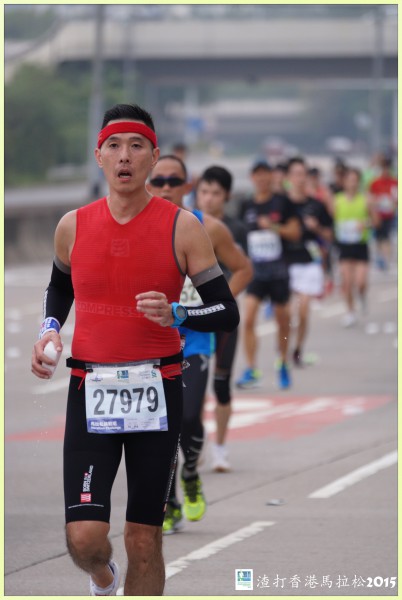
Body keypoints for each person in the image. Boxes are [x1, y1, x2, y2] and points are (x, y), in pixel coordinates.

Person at [31, 103, 239, 596]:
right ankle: (103, 578)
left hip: (158, 390)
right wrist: (50, 329)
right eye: (114, 146)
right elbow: (60, 287)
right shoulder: (73, 225)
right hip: (90, 389)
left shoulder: (183, 227)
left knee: (143, 538)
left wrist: (179, 313)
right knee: (84, 538)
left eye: (136, 146)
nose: (125, 156)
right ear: (99, 156)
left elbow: (226, 310)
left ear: (153, 157)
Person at [147, 155, 252, 533]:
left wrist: (214, 308)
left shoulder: (208, 227)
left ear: (186, 186)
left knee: (188, 417)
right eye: (158, 181)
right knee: (159, 426)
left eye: (173, 181)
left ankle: (190, 472)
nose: (165, 188)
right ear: (147, 183)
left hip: (194, 339)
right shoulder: (136, 227)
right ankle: (170, 501)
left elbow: (244, 269)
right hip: (150, 341)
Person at [195, 165, 249, 472]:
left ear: (226, 196)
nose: (209, 198)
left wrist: (221, 304)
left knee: (221, 384)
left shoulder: (235, 229)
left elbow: (244, 269)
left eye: (215, 193)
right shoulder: (186, 223)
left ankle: (221, 448)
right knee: (192, 385)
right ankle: (194, 438)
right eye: (204, 191)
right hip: (192, 318)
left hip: (223, 319)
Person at [236, 160, 301, 390]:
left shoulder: (282, 202)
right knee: (248, 319)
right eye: (257, 175)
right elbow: (240, 236)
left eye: (265, 174)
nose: (262, 179)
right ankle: (251, 368)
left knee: (283, 321)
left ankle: (282, 362)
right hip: (255, 272)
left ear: (272, 177)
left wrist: (273, 227)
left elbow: (295, 232)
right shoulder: (246, 205)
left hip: (278, 272)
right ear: (252, 178)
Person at [285, 157, 333, 366]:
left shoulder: (316, 205)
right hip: (285, 263)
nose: (300, 178)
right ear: (288, 177)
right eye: (296, 174)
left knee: (303, 312)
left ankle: (298, 349)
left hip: (309, 263)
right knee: (286, 313)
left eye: (303, 174)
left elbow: (330, 235)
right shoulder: (281, 203)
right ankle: (283, 350)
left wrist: (317, 228)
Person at [331, 167, 378, 327]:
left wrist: (365, 223)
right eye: (349, 180)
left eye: (355, 181)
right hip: (344, 245)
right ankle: (350, 312)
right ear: (344, 182)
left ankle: (362, 297)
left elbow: (376, 221)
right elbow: (331, 221)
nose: (352, 184)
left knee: (361, 282)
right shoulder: (337, 200)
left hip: (360, 245)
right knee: (347, 282)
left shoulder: (366, 200)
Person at [368, 155, 398, 271]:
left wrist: (394, 204)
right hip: (377, 215)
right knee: (378, 237)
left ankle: (386, 259)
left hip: (389, 214)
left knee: (387, 236)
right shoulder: (375, 183)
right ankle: (380, 257)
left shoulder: (394, 182)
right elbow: (370, 197)